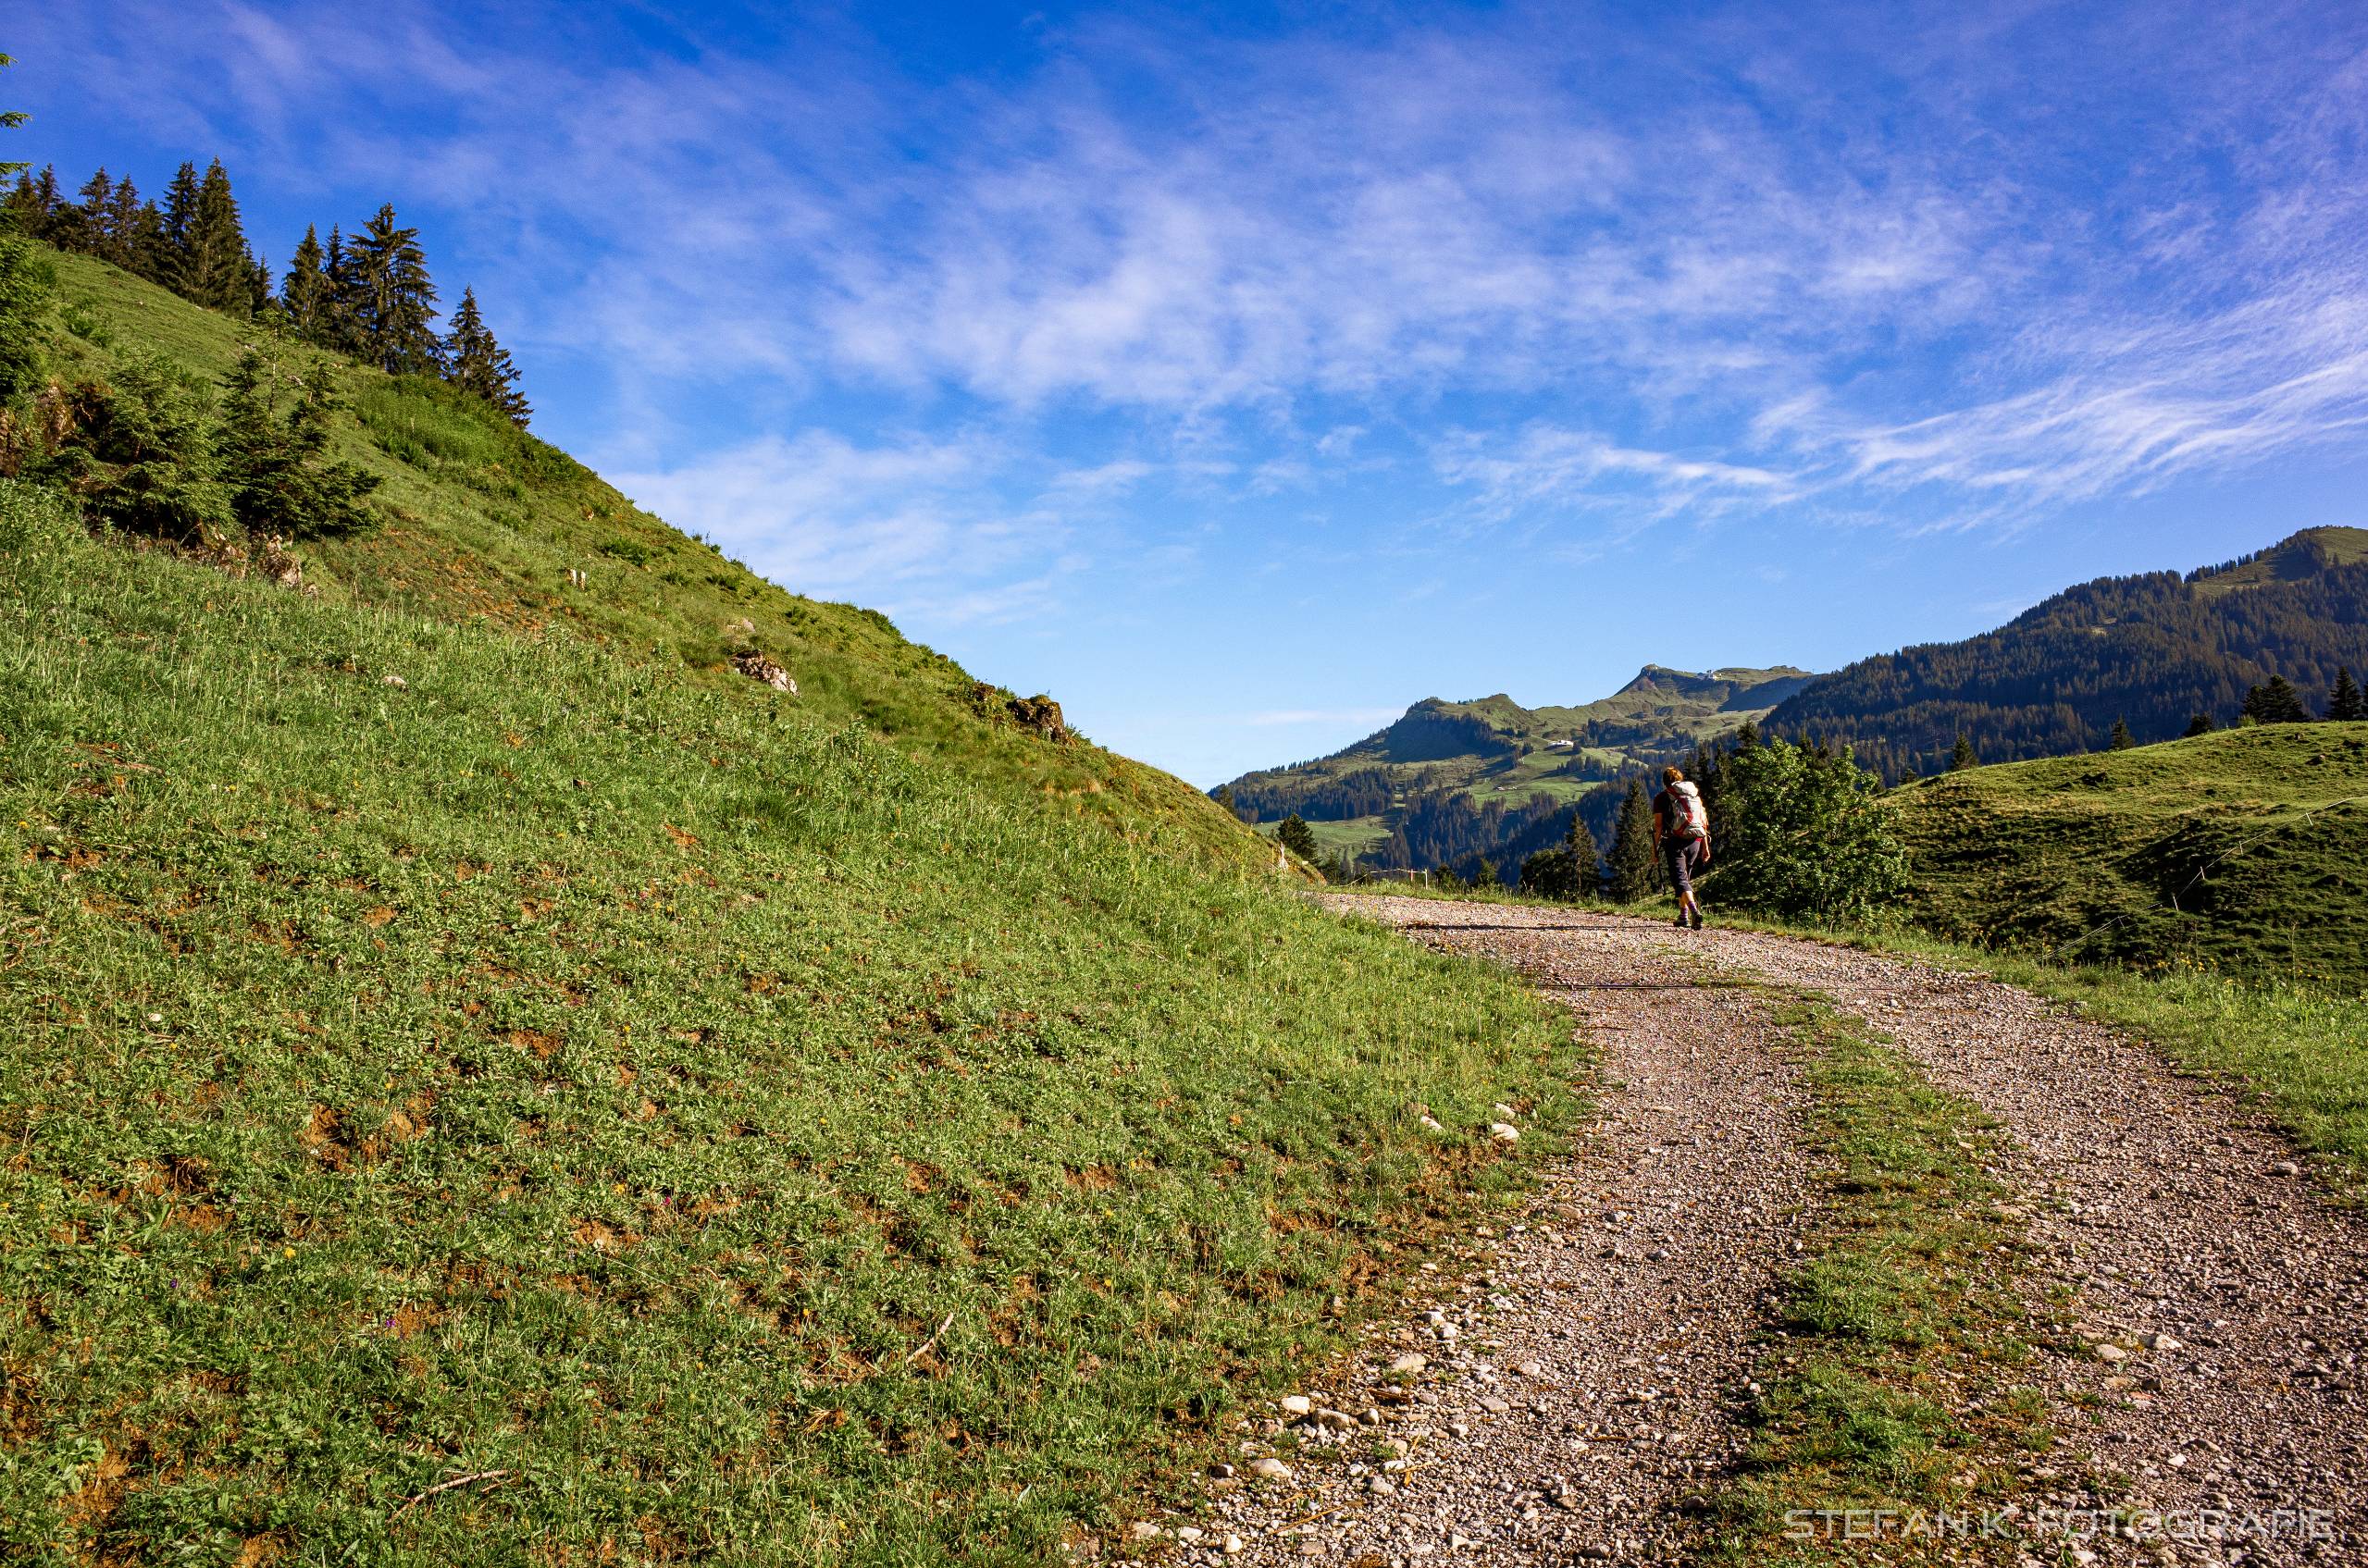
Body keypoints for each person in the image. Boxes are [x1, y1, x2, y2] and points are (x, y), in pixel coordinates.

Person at [1653, 765, 1709, 930]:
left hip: (1674, 842)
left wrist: (1654, 850)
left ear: (1665, 782)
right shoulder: (1694, 796)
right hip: (1696, 841)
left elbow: (1658, 827)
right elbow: (1703, 822)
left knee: (1681, 880)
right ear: (1680, 780)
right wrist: (1706, 847)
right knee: (1684, 879)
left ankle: (1694, 912)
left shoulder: (1662, 798)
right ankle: (1683, 916)